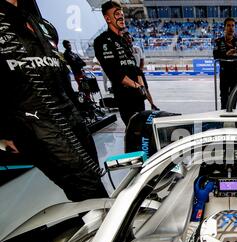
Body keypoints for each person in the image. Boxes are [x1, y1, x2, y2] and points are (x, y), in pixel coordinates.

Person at [0, 0, 108, 202]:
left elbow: (58, 71)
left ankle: (97, 223)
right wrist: (4, 132)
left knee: (91, 177)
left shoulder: (42, 24)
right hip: (35, 122)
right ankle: (110, 228)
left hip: (69, 113)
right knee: (85, 184)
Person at [94, 1, 149, 125]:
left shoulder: (124, 40)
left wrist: (142, 87)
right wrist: (137, 86)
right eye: (116, 13)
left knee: (144, 129)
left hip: (138, 95)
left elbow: (135, 67)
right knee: (133, 130)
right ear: (107, 18)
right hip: (125, 96)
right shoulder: (102, 41)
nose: (121, 16)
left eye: (122, 14)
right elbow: (114, 73)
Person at [123, 31, 159, 111]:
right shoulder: (123, 50)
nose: (128, 39)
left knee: (145, 88)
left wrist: (140, 70)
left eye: (129, 38)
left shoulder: (137, 49)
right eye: (126, 38)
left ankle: (152, 105)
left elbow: (142, 60)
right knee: (133, 90)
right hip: (129, 73)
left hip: (138, 71)